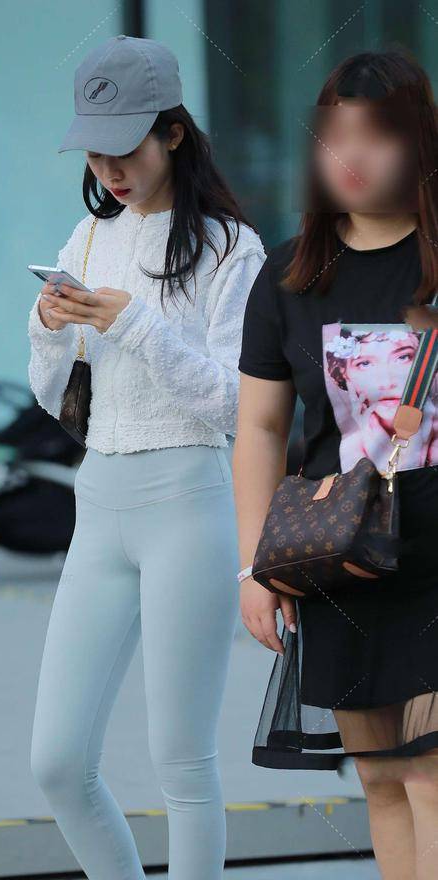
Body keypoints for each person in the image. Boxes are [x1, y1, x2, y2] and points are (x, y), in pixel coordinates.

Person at [28, 35, 265, 880]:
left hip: (187, 504)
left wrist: (135, 325)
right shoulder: (89, 239)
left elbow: (238, 404)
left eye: (124, 147)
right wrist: (46, 327)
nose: (110, 169)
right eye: (95, 152)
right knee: (57, 762)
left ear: (172, 132)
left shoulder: (232, 249)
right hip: (99, 505)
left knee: (183, 765)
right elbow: (51, 395)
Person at [233, 49, 438, 879]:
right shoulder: (290, 276)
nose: (352, 156)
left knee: (430, 773)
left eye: (376, 136)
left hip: (436, 557)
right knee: (383, 780)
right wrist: (254, 566)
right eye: (336, 135)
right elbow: (259, 428)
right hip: (342, 556)